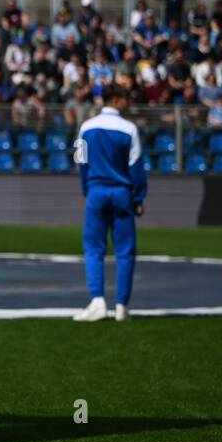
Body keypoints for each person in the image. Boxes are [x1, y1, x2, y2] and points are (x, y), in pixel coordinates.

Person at [73, 84, 147, 321]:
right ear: (116, 100)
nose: (129, 103)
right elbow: (136, 167)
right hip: (122, 193)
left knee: (94, 248)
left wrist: (87, 190)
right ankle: (122, 306)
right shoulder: (129, 129)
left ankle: (97, 301)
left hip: (96, 191)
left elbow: (80, 162)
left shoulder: (86, 127)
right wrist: (138, 198)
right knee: (125, 251)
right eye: (126, 98)